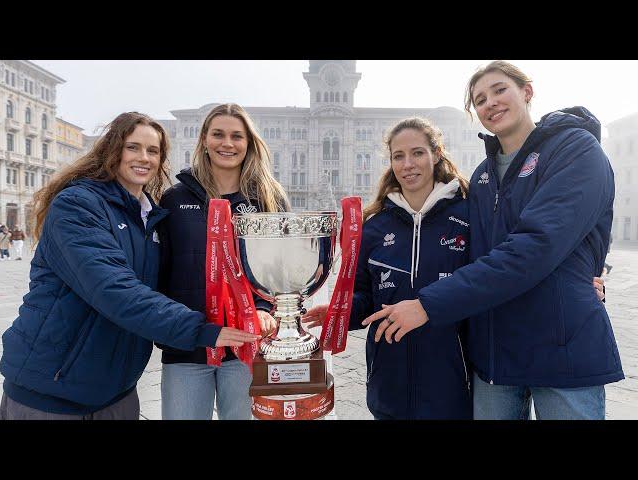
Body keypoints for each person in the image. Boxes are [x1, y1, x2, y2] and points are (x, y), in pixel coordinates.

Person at [362, 61, 622, 420]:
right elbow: (473, 255)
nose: (491, 103)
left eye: (500, 90)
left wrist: (428, 304)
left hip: (562, 347)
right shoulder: (483, 176)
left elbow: (536, 246)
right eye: (479, 99)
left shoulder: (575, 149)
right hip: (495, 354)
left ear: (526, 92)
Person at [0, 112, 259, 420]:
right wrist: (200, 329)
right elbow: (115, 290)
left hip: (116, 392)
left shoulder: (149, 218)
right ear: (113, 149)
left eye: (153, 151)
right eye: (133, 147)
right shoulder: (78, 204)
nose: (143, 158)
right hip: (53, 390)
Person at [303, 117, 473, 419]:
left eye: (418, 153)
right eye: (399, 156)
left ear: (436, 154)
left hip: (453, 386)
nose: (408, 164)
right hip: (389, 387)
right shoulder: (375, 226)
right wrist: (340, 312)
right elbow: (366, 297)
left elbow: (482, 287)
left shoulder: (469, 215)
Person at [157, 103, 288, 420]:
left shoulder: (269, 199)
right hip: (187, 346)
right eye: (218, 134)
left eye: (236, 136)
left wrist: (265, 309)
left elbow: (281, 270)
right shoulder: (174, 199)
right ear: (203, 140)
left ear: (248, 143)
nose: (227, 143)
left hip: (247, 343)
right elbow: (162, 271)